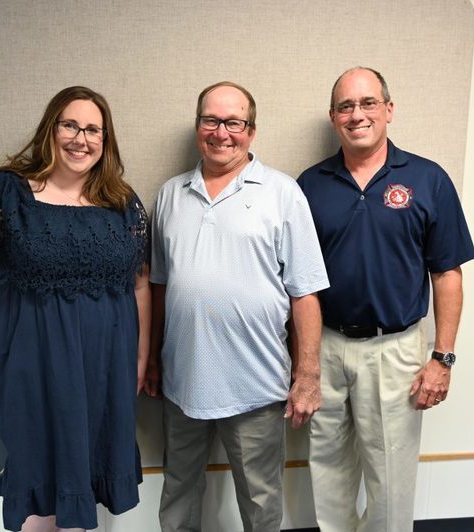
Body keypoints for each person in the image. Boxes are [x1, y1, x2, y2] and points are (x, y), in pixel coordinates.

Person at [0, 86, 150, 532]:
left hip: (103, 370)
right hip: (29, 368)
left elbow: (139, 285)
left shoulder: (122, 202)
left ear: (106, 139)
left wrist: (139, 359)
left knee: (85, 483)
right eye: (70, 125)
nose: (81, 139)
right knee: (36, 485)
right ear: (50, 129)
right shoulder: (5, 193)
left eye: (93, 129)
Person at [296, 67, 474, 532]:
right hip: (326, 347)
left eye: (368, 103)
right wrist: (305, 363)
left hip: (395, 350)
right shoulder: (309, 185)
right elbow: (298, 282)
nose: (357, 114)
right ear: (333, 117)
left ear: (389, 109)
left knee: (391, 478)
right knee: (329, 470)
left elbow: (447, 274)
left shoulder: (428, 179)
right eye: (346, 106)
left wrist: (443, 357)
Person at [146, 81, 329, 532]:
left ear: (251, 130)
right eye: (211, 120)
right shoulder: (170, 195)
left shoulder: (282, 192)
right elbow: (159, 287)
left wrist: (307, 375)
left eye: (234, 122)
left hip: (256, 383)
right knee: (178, 490)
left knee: (260, 499)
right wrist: (151, 358)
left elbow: (305, 292)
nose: (221, 132)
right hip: (182, 379)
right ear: (197, 126)